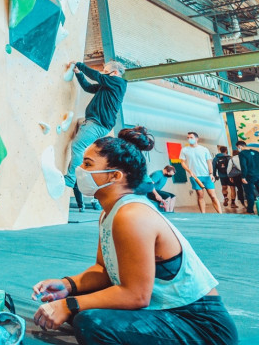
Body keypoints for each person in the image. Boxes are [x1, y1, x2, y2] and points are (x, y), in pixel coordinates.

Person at [32, 127, 239, 345]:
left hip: (201, 325)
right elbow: (103, 270)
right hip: (162, 308)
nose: (80, 169)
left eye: (88, 164)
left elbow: (136, 296)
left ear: (115, 176)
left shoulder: (131, 215)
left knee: (90, 321)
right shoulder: (109, 213)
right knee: (77, 306)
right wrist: (67, 286)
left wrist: (69, 305)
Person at [65, 61, 128, 212]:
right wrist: (79, 74)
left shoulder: (118, 82)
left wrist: (80, 65)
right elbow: (88, 87)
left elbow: (96, 76)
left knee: (77, 146)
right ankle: (76, 178)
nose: (103, 72)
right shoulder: (107, 85)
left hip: (98, 122)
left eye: (106, 71)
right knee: (80, 148)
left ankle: (69, 180)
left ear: (114, 73)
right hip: (95, 121)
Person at [179, 132, 223, 214]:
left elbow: (209, 162)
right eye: (188, 137)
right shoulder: (184, 150)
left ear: (196, 139)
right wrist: (189, 171)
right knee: (200, 195)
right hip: (195, 177)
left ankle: (220, 214)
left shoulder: (204, 149)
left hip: (207, 176)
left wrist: (211, 174)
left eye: (191, 137)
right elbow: (182, 162)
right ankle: (203, 214)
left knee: (213, 196)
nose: (189, 139)